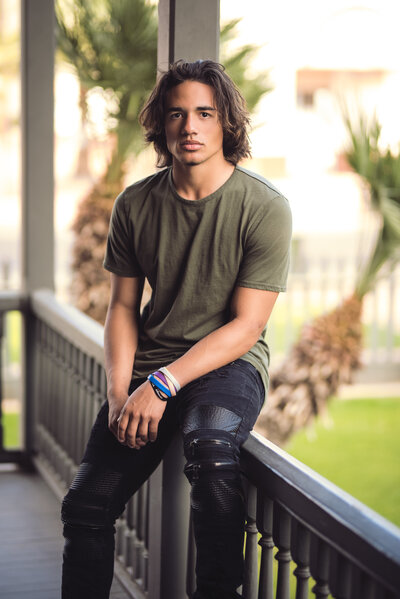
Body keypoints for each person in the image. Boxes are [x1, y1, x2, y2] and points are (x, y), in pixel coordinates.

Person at [61, 59, 292, 599]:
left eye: (205, 113)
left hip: (227, 365)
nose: (190, 126)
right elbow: (122, 307)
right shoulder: (135, 204)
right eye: (177, 114)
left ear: (226, 122)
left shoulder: (264, 207)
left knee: (212, 454)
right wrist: (121, 392)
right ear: (161, 126)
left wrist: (165, 384)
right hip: (147, 366)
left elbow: (247, 324)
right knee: (85, 507)